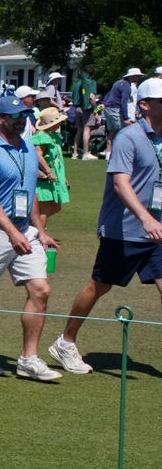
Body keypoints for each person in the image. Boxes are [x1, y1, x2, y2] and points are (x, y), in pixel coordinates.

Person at [49, 77, 162, 374]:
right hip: (123, 229)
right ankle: (65, 341)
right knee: (100, 285)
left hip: (158, 233)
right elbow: (121, 184)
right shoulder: (129, 137)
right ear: (145, 106)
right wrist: (145, 217)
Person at [0, 95, 62, 381]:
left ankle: (29, 358)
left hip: (23, 230)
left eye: (24, 115)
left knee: (41, 289)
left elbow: (27, 194)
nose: (21, 120)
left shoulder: (29, 150)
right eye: (14, 116)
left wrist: (39, 230)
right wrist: (12, 232)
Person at [28, 107, 69, 233]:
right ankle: (39, 234)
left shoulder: (52, 136)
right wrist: (48, 172)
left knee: (56, 207)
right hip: (44, 177)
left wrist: (63, 178)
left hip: (54, 174)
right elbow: (38, 155)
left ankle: (32, 228)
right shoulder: (42, 137)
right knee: (45, 208)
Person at [71, 65, 99, 159]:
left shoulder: (77, 83)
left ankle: (75, 153)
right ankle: (86, 153)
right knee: (87, 130)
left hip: (77, 109)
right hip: (86, 109)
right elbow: (91, 97)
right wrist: (96, 109)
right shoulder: (91, 83)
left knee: (79, 130)